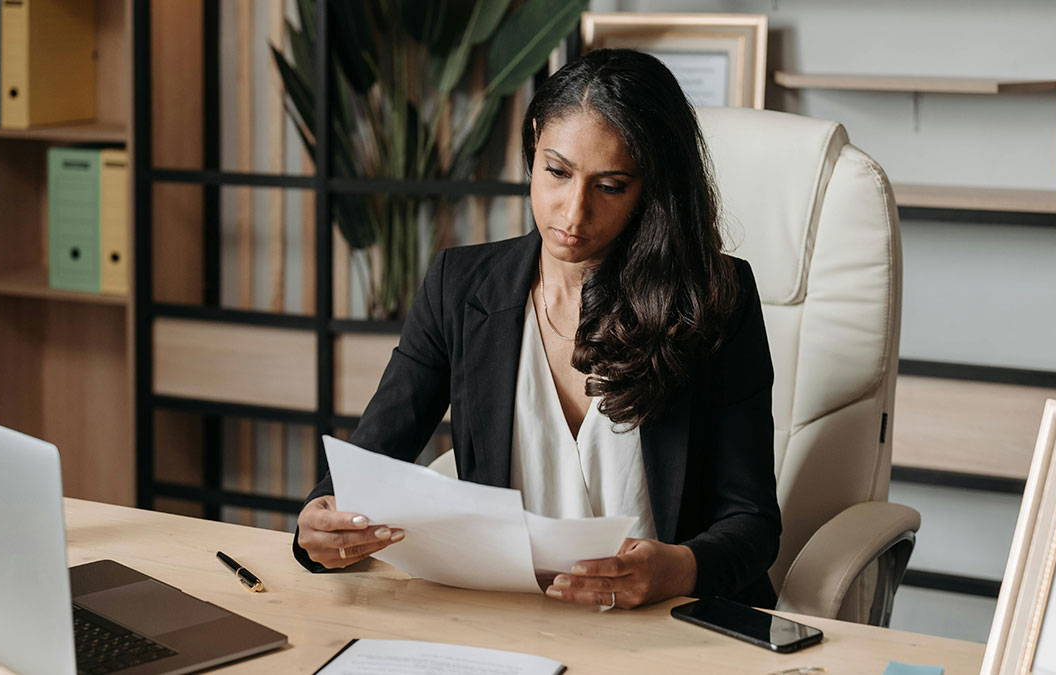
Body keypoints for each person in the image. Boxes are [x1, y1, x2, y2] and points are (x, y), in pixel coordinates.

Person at [292, 48, 781, 610]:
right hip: (513, 619)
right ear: (533, 147)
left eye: (611, 185)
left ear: (654, 189)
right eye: (556, 172)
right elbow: (369, 462)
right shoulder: (460, 287)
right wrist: (321, 523)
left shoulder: (716, 298)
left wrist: (678, 570)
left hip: (670, 623)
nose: (573, 214)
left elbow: (753, 523)